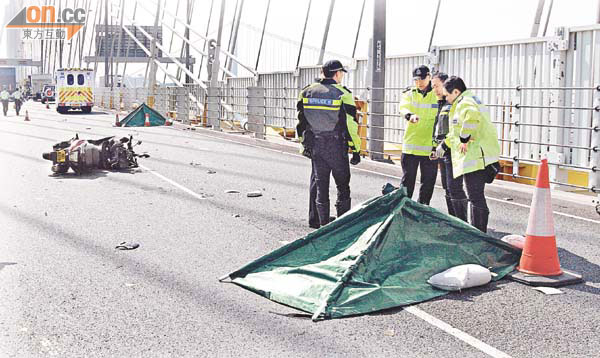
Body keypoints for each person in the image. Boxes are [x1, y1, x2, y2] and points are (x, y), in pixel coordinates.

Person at [297, 60, 362, 229]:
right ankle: (342, 225)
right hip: (336, 146)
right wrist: (356, 149)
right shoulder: (343, 94)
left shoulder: (306, 92)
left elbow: (301, 122)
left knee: (321, 186)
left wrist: (304, 145)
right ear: (337, 73)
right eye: (341, 73)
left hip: (317, 146)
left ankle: (322, 224)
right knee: (342, 186)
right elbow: (351, 125)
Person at [440, 76, 501, 232]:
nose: (446, 99)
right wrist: (443, 146)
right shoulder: (469, 99)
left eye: (447, 95)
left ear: (456, 91)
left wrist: (464, 137)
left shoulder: (465, 102)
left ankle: (479, 233)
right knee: (475, 195)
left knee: (475, 196)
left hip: (476, 156)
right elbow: (456, 131)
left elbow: (471, 116)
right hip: (479, 155)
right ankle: (477, 231)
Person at [398, 65, 439, 205]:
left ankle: (422, 209)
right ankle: (403, 208)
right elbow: (403, 107)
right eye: (416, 80)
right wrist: (409, 115)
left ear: (429, 77)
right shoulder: (409, 93)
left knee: (428, 182)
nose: (419, 82)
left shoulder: (437, 94)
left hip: (430, 147)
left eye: (422, 79)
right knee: (407, 182)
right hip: (411, 147)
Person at [430, 72, 467, 220]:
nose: (435, 90)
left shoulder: (453, 103)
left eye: (437, 86)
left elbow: (455, 129)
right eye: (433, 87)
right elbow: (438, 128)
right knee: (447, 187)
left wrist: (444, 146)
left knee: (455, 187)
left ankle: (461, 222)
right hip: (443, 150)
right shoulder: (440, 104)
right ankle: (453, 219)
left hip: (452, 150)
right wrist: (435, 148)